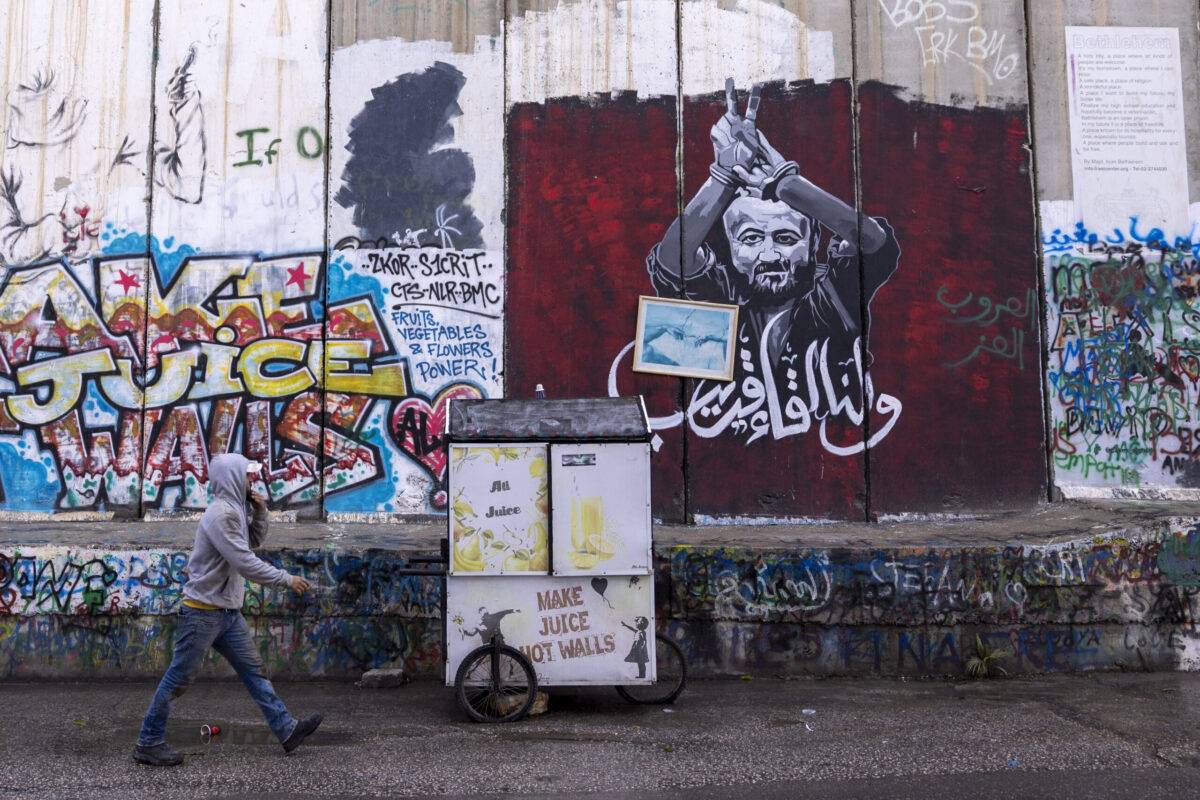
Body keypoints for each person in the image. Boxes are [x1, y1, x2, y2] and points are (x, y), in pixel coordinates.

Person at [648, 80, 901, 446]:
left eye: (785, 238)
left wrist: (786, 184)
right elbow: (672, 259)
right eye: (750, 238)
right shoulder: (722, 306)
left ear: (815, 242)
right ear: (730, 247)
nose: (769, 255)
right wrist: (723, 177)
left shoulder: (831, 303)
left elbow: (874, 243)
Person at [132, 453, 322, 766]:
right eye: (247, 475)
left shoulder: (234, 510)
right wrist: (286, 579)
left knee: (254, 672)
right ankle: (148, 742)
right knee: (178, 678)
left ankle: (287, 730)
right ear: (232, 477)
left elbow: (252, 544)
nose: (252, 480)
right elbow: (245, 562)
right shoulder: (222, 515)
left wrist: (260, 512)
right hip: (202, 613)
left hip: (226, 613)